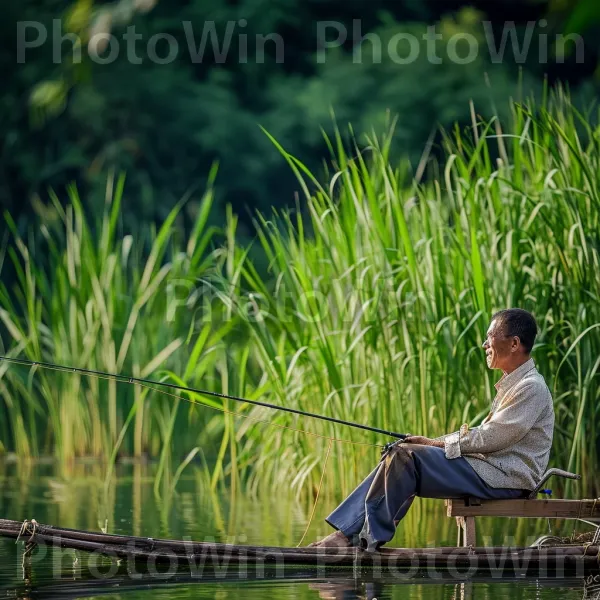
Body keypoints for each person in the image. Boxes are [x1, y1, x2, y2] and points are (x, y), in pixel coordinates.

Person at [310, 308, 555, 552]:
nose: (484, 345)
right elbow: (488, 434)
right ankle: (352, 536)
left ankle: (356, 539)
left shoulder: (530, 387)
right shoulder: (516, 385)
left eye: (490, 337)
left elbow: (492, 437)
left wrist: (433, 444)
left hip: (506, 478)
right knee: (400, 453)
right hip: (490, 471)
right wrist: (430, 442)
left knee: (407, 456)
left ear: (513, 343)